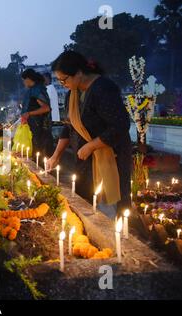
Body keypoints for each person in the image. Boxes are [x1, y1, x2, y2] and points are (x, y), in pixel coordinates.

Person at [47, 51, 132, 218]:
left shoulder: (103, 89)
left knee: (107, 207)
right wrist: (56, 155)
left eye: (64, 79)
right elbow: (70, 126)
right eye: (59, 80)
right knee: (86, 202)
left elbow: (120, 125)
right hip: (85, 158)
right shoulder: (72, 93)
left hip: (109, 157)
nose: (62, 84)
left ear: (79, 72)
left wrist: (92, 145)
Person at [20, 69, 54, 157]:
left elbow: (46, 108)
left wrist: (29, 113)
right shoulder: (32, 90)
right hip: (33, 127)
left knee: (39, 153)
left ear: (28, 79)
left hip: (39, 128)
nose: (23, 83)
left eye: (23, 80)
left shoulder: (37, 90)